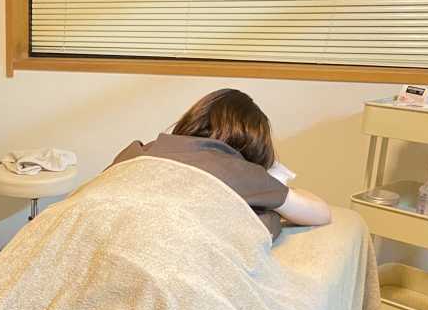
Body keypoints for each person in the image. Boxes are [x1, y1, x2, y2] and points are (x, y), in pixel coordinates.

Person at [109, 89, 331, 239]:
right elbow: (320, 214)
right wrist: (274, 188)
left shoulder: (135, 152)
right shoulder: (241, 172)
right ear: (251, 142)